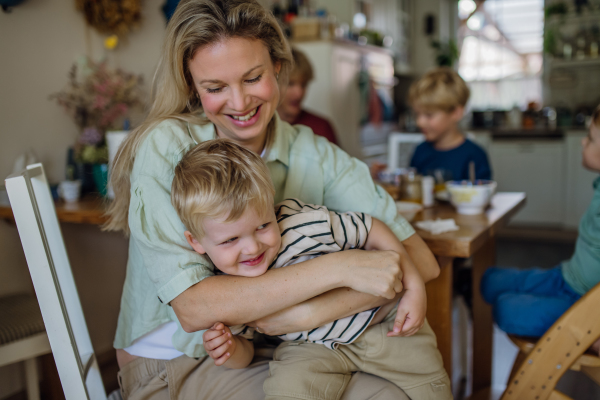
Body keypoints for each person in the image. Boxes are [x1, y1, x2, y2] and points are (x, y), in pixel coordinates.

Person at [106, 1, 442, 398]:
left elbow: (420, 261)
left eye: (252, 78)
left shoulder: (315, 153)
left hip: (279, 346)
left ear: (278, 69)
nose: (239, 102)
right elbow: (195, 308)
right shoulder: (166, 145)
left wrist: (311, 312)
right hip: (173, 363)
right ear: (193, 87)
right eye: (215, 88)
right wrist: (343, 267)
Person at [170, 139, 452, 400]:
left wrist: (414, 288)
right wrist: (229, 349)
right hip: (306, 351)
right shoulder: (225, 284)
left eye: (263, 226)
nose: (252, 248)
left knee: (432, 390)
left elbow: (371, 227)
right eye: (231, 240)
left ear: (271, 204)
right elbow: (247, 351)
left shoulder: (301, 223)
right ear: (196, 242)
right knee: (284, 389)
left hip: (383, 327)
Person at [481, 105, 600, 355]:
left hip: (587, 305)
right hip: (566, 277)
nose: (582, 142)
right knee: (489, 280)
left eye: (589, 138)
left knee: (506, 308)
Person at [408, 67, 492, 182]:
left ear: (456, 113)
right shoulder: (420, 152)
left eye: (429, 115)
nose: (419, 122)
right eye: (417, 114)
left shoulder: (474, 156)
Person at [277, 47, 338, 144]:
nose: (299, 93)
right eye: (290, 84)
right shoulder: (260, 129)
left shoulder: (321, 128)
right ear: (274, 84)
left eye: (304, 84)